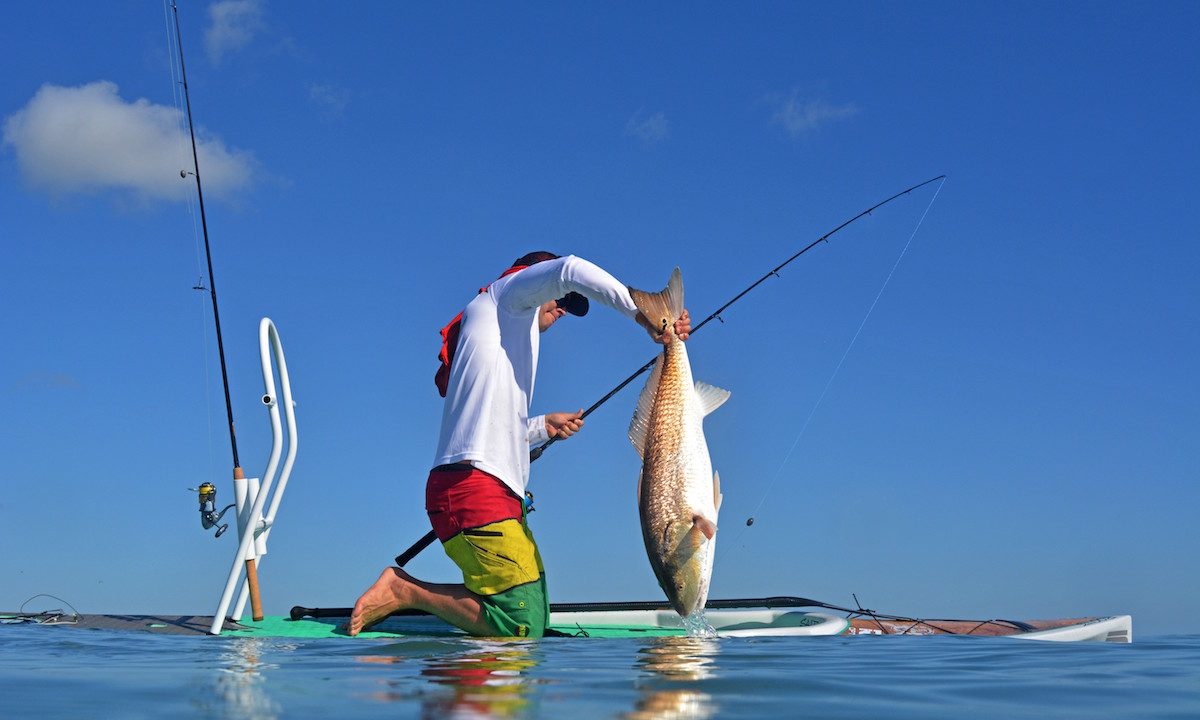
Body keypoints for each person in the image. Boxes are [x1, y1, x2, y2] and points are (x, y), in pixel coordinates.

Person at [348, 251, 690, 637]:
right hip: (471, 489)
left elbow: (487, 426)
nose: (561, 310)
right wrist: (647, 316)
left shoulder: (497, 330)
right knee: (522, 622)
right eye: (559, 300)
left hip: (488, 491)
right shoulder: (506, 296)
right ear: (532, 278)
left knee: (536, 617)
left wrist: (543, 426)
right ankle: (404, 589)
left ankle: (451, 605)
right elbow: (569, 269)